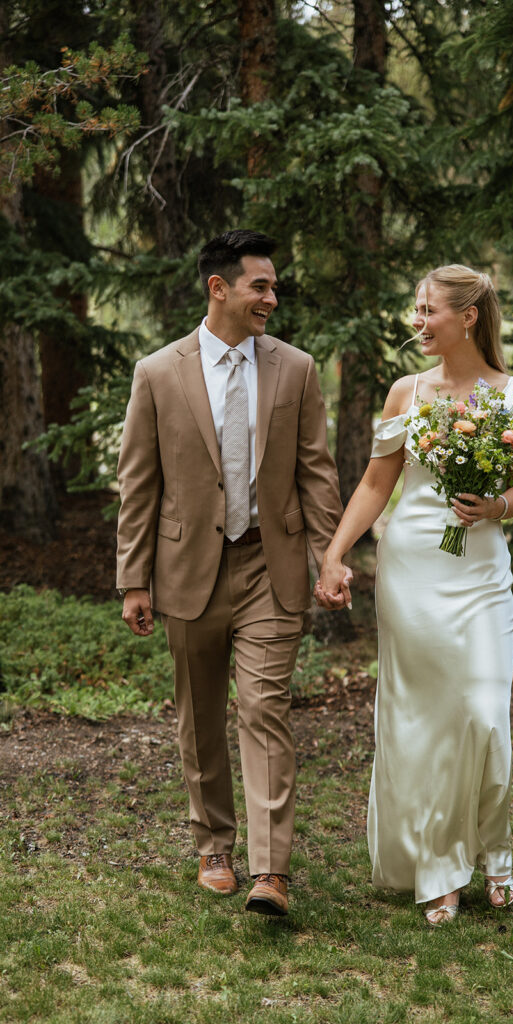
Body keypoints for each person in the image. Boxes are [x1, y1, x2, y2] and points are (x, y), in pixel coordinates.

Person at [116, 229, 346, 917]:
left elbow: (316, 472)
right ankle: (213, 842)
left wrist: (329, 558)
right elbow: (138, 483)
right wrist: (133, 579)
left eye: (274, 286)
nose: (272, 298)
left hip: (269, 568)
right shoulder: (158, 373)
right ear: (219, 288)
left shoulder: (296, 369)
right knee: (199, 714)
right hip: (186, 570)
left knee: (264, 708)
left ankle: (269, 869)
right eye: (260, 286)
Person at [315, 264, 513, 925]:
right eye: (414, 309)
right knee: (423, 725)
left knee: (482, 715)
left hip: (480, 575)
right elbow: (374, 483)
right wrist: (335, 552)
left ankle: (494, 852)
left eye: (427, 310)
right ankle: (439, 867)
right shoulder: (404, 393)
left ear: (467, 317)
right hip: (411, 569)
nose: (416, 321)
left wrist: (495, 503)